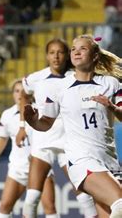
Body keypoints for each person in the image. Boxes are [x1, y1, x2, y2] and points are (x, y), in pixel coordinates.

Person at [24, 35, 122, 217]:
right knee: (121, 203)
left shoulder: (111, 83)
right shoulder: (59, 88)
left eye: (83, 48)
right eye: (73, 49)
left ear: (94, 56)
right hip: (82, 161)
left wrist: (111, 107)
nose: (76, 52)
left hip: (110, 162)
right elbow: (45, 124)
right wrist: (31, 121)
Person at [17, 38, 97, 218]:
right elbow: (23, 94)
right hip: (43, 138)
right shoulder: (36, 78)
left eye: (60, 52)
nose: (56, 56)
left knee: (83, 195)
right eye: (52, 52)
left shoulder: (75, 76)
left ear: (66, 55)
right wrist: (22, 125)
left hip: (69, 139)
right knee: (32, 197)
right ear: (47, 55)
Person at [0, 80, 56, 218]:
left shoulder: (39, 111)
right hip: (18, 168)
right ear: (12, 94)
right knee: (4, 206)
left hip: (40, 165)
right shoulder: (7, 115)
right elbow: (2, 138)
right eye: (16, 91)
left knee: (49, 207)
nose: (20, 94)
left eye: (23, 91)